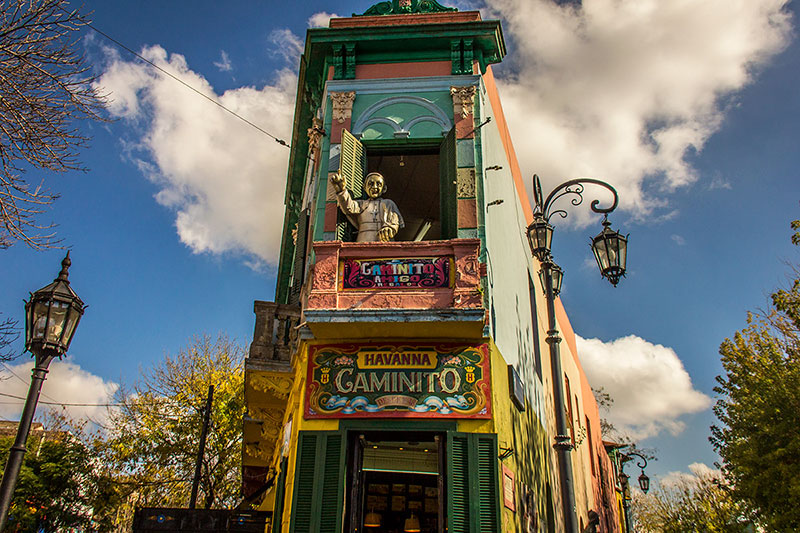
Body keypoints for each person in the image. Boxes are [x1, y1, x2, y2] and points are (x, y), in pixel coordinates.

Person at [330, 171, 404, 242]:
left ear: (384, 189)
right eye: (371, 184)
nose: (374, 187)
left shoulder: (388, 204)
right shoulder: (361, 204)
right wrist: (341, 190)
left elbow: (394, 221)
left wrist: (389, 228)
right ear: (364, 187)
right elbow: (348, 207)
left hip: (383, 241)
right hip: (363, 240)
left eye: (378, 184)